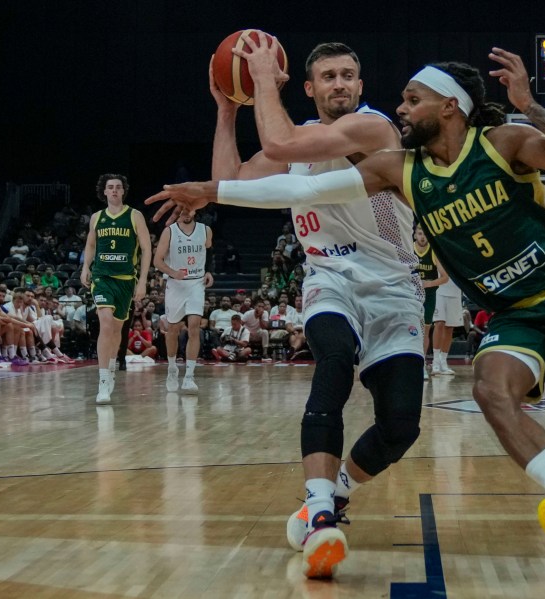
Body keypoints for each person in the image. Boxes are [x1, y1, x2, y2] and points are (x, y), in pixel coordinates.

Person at [148, 47, 545, 565]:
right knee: (468, 385)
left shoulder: (435, 136)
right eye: (329, 76)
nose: (398, 107)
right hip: (437, 299)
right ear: (309, 87)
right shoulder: (400, 167)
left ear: (448, 107)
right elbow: (293, 180)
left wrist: (528, 104)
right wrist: (219, 147)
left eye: (411, 98)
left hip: (520, 294)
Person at [205, 34, 425, 578]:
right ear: (308, 87)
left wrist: (260, 84)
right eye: (328, 77)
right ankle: (321, 510)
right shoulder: (296, 139)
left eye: (348, 75)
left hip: (395, 287)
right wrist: (229, 111)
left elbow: (281, 147)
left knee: (401, 427)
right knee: (333, 360)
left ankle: (335, 495)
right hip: (330, 279)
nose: (340, 84)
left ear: (360, 85)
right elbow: (228, 181)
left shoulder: (374, 128)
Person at [81, 173, 152, 404]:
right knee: (106, 322)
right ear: (104, 191)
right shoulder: (96, 218)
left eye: (118, 187)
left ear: (123, 191)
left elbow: (146, 249)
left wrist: (142, 281)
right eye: (110, 187)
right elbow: (91, 244)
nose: (114, 191)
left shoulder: (134, 216)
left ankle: (111, 367)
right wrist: (85, 267)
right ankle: (102, 381)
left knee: (117, 329)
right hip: (102, 277)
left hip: (125, 279)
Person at [153, 211, 214, 392]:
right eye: (183, 210)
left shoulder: (205, 230)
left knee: (194, 327)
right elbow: (157, 260)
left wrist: (209, 271)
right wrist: (173, 273)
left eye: (190, 209)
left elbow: (209, 251)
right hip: (176, 284)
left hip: (196, 283)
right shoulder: (169, 232)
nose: (186, 213)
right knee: (173, 329)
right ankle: (172, 368)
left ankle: (189, 376)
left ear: (195, 210)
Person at [414, 224, 448, 379]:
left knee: (425, 331)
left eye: (425, 234)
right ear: (415, 235)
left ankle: (421, 364)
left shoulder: (433, 252)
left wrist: (428, 283)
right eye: (420, 233)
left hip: (428, 295)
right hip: (410, 294)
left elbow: (445, 277)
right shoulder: (408, 249)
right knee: (407, 327)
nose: (422, 237)